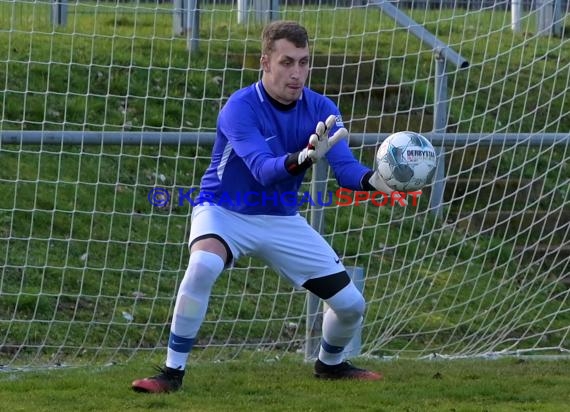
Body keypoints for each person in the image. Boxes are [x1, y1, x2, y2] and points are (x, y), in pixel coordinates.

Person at [132, 20, 400, 394]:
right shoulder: (240, 106)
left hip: (281, 219)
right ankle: (171, 373)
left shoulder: (322, 108)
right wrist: (303, 158)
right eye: (287, 62)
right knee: (204, 264)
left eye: (304, 63)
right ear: (265, 62)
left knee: (352, 305)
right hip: (224, 211)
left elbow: (345, 169)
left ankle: (331, 365)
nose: (297, 73)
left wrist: (376, 180)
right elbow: (261, 169)